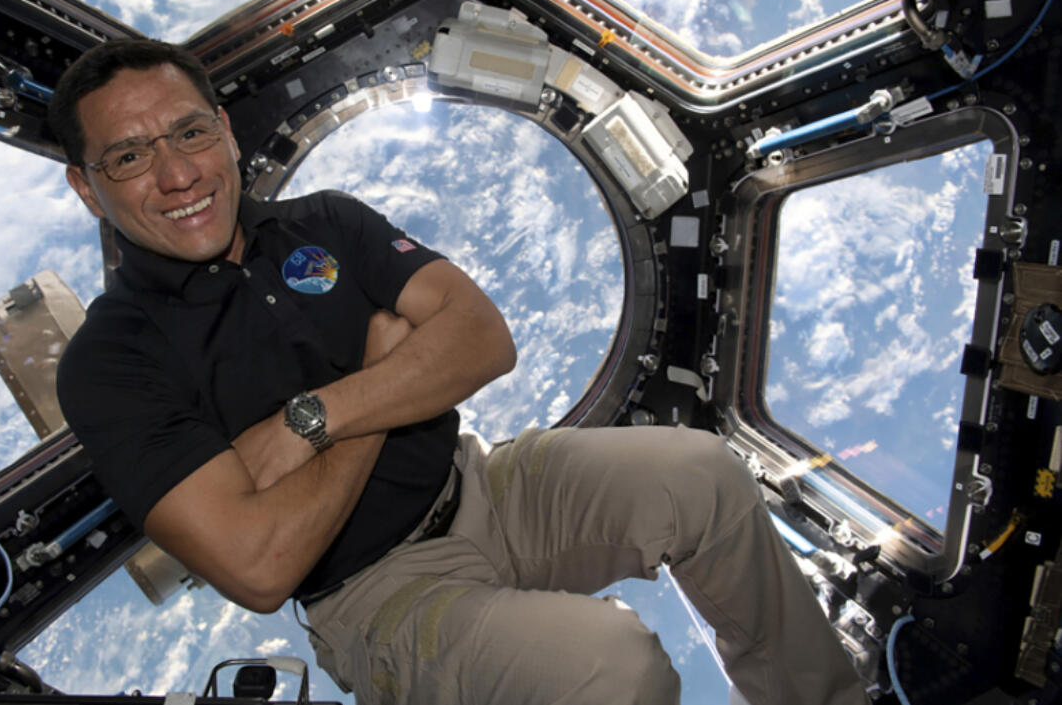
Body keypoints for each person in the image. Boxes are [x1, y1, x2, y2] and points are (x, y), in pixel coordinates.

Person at [52, 38, 869, 705]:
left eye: (190, 132)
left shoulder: (326, 219)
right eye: (128, 155)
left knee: (700, 472)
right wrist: (387, 374)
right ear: (87, 189)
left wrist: (315, 417)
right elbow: (260, 565)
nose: (178, 173)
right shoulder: (110, 361)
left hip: (487, 485)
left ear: (226, 132)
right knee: (615, 665)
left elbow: (480, 338)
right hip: (375, 594)